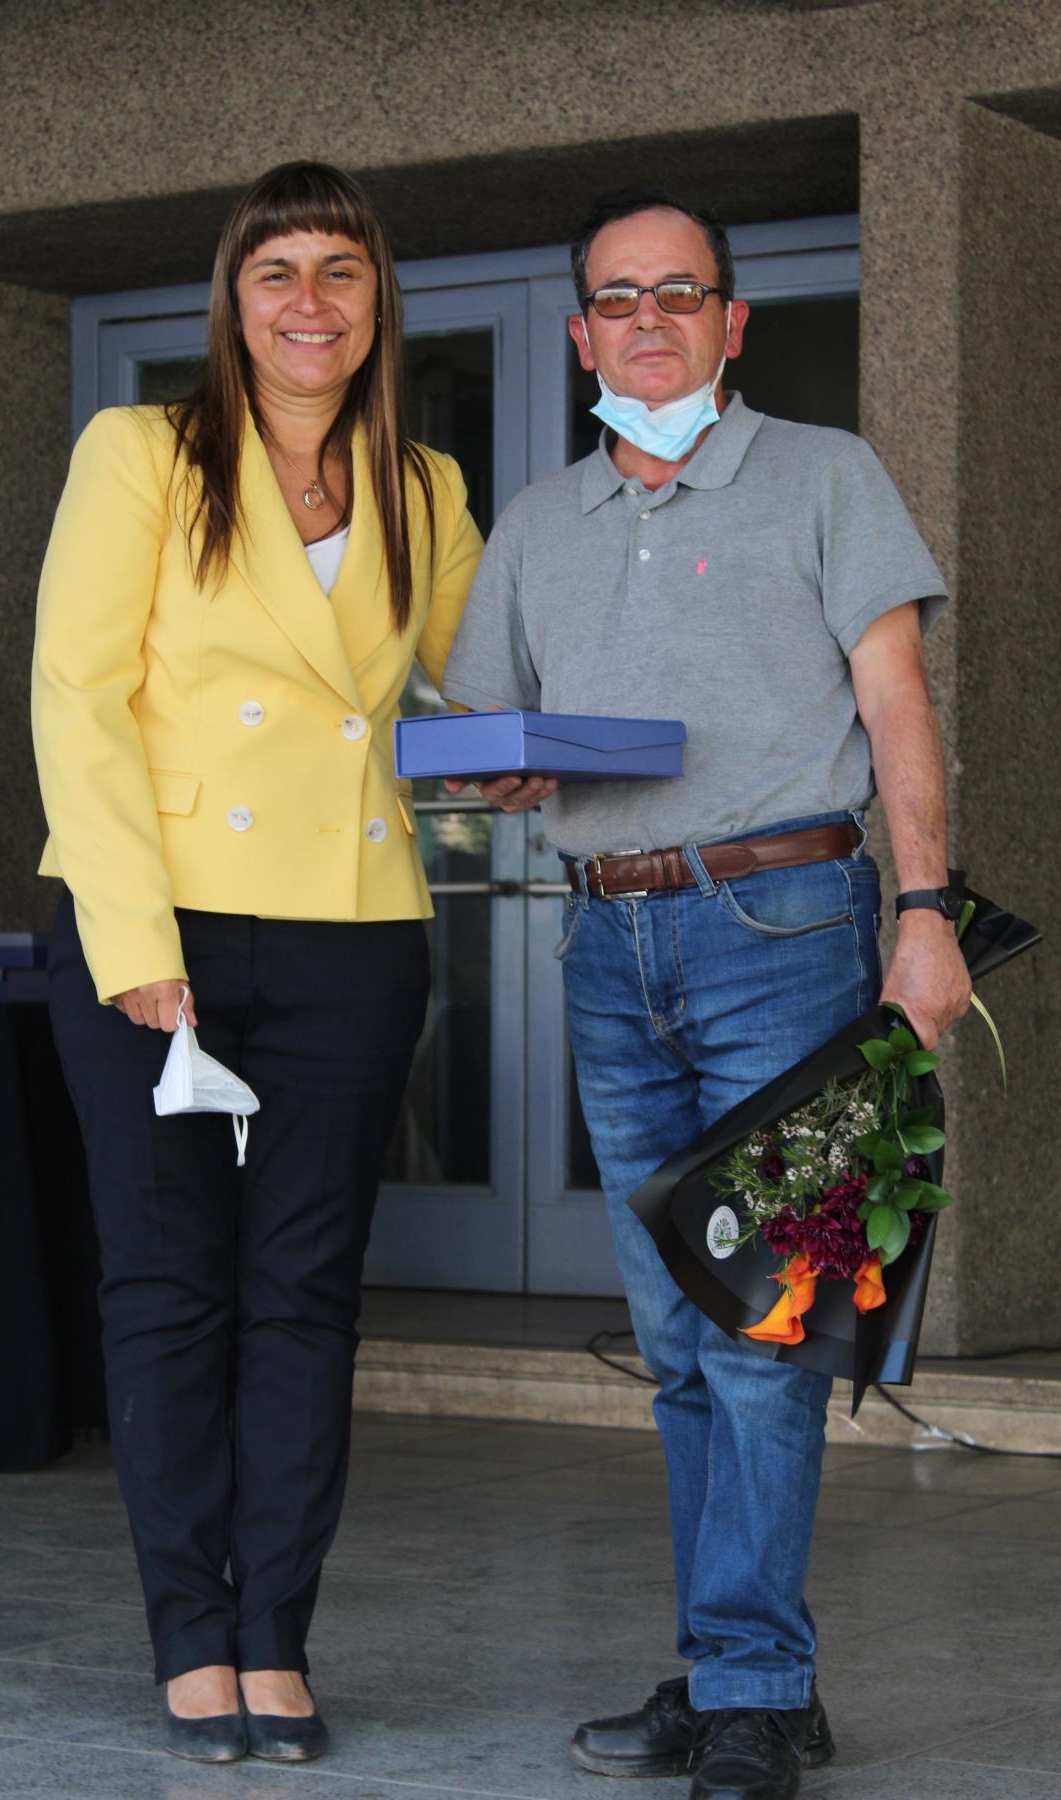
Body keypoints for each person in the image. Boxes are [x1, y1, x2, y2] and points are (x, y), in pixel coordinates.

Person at [442, 186, 971, 1800]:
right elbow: (485, 738)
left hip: (793, 926)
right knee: (679, 1339)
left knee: (768, 1330)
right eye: (619, 297)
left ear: (732, 324)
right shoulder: (537, 521)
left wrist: (929, 912)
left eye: (682, 294)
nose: (649, 320)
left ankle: (747, 1683)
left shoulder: (826, 475)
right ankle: (747, 1672)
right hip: (608, 943)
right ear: (582, 330)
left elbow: (896, 707)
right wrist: (508, 782)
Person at [32, 161, 482, 1766]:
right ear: (233, 299)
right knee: (166, 1292)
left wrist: (515, 755)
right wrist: (133, 942)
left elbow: (481, 684)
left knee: (305, 1297)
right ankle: (189, 1638)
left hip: (358, 933)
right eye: (278, 270)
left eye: (340, 272)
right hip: (161, 927)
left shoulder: (425, 486)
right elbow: (74, 702)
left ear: (378, 301)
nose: (310, 302)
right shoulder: (143, 453)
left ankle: (276, 1636)